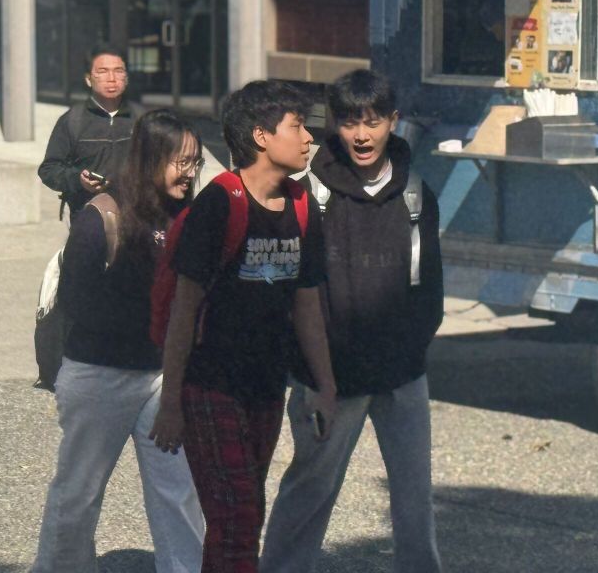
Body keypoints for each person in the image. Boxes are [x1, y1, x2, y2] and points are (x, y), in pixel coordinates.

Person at [149, 80, 338, 573]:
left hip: (265, 387)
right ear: (260, 135)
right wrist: (171, 402)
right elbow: (183, 309)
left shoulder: (300, 204)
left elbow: (307, 305)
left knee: (243, 517)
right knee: (235, 515)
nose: (307, 139)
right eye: (296, 127)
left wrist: (325, 385)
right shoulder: (220, 202)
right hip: (210, 385)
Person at [261, 69, 444, 573]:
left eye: (373, 121)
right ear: (332, 125)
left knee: (413, 497)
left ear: (393, 122)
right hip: (329, 378)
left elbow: (430, 290)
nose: (361, 135)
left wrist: (412, 355)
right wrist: (315, 375)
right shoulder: (308, 193)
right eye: (349, 122)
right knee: (310, 487)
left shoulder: (417, 194)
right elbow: (295, 293)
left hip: (403, 375)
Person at [32, 109, 205, 573]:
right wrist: (153, 321)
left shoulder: (188, 214)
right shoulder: (101, 217)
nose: (189, 174)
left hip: (162, 377)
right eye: (180, 162)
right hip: (99, 375)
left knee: (179, 494)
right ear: (151, 157)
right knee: (78, 494)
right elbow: (77, 301)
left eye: (195, 162)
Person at [38, 43, 140, 219]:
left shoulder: (142, 118)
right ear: (88, 79)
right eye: (102, 71)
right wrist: (79, 180)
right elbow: (49, 169)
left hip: (135, 215)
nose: (112, 78)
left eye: (118, 71)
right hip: (87, 216)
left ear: (126, 77)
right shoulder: (72, 120)